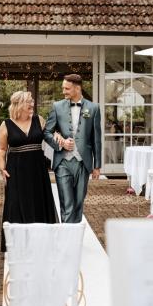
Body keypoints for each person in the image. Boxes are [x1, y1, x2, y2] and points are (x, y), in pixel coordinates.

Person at [0, 91, 58, 251]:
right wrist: (2, 167)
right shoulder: (6, 124)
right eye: (28, 102)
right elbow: (2, 149)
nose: (32, 105)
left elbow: (51, 137)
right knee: (16, 204)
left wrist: (62, 140)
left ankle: (41, 241)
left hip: (37, 170)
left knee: (39, 201)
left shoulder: (40, 120)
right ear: (18, 104)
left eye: (32, 101)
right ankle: (18, 243)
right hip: (16, 171)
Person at [43, 74, 102, 223]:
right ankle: (67, 242)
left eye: (67, 88)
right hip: (62, 162)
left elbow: (96, 139)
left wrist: (97, 166)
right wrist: (60, 143)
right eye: (63, 88)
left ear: (77, 88)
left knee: (78, 204)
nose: (64, 91)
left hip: (83, 163)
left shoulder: (94, 108)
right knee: (67, 205)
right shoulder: (57, 106)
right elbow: (47, 132)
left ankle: (74, 236)